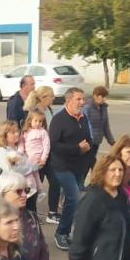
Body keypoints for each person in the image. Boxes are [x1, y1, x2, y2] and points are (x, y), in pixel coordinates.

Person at [48, 87, 92, 250]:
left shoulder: (83, 118)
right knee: (74, 198)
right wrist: (76, 149)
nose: (82, 102)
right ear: (68, 101)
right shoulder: (59, 119)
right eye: (78, 99)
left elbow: (87, 141)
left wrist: (89, 158)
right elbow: (53, 145)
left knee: (74, 201)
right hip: (62, 166)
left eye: (83, 99)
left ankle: (68, 233)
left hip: (79, 167)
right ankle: (61, 233)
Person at [82, 86, 116, 182]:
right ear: (95, 96)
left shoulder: (103, 107)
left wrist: (112, 142)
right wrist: (88, 139)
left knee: (88, 163)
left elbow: (105, 126)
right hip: (88, 141)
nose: (104, 99)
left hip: (97, 141)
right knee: (92, 163)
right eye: (101, 96)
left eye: (105, 97)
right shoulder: (87, 107)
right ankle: (96, 182)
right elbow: (84, 124)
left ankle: (84, 183)